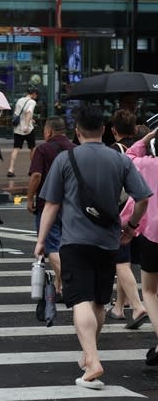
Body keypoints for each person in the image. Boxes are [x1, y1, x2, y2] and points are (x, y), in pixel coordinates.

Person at [35, 104, 151, 388]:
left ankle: (93, 361)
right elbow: (143, 198)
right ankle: (90, 355)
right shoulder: (120, 160)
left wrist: (40, 241)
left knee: (79, 301)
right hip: (108, 241)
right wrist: (131, 226)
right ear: (103, 129)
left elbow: (51, 204)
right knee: (99, 300)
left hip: (75, 241)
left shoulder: (65, 159)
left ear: (77, 131)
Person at [120, 130, 158, 365]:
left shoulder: (145, 164)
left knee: (151, 292)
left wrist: (148, 136)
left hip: (153, 235)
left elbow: (129, 155)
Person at [26, 117, 75, 296]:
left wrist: (29, 198)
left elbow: (36, 175)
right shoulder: (75, 149)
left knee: (51, 246)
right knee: (64, 246)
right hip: (71, 204)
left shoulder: (43, 149)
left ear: (48, 132)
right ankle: (59, 286)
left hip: (48, 204)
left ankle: (71, 283)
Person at [107, 109, 147, 323]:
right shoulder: (145, 147)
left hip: (124, 212)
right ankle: (118, 307)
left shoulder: (116, 152)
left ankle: (138, 306)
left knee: (121, 262)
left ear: (113, 130)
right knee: (127, 262)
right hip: (145, 213)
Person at [7, 86, 38, 177]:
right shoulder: (32, 102)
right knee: (32, 148)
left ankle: (11, 169)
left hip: (17, 129)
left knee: (16, 148)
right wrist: (27, 125)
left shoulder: (20, 100)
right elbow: (29, 112)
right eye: (36, 94)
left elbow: (17, 114)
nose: (37, 96)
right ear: (33, 94)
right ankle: (33, 169)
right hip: (28, 129)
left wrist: (30, 120)